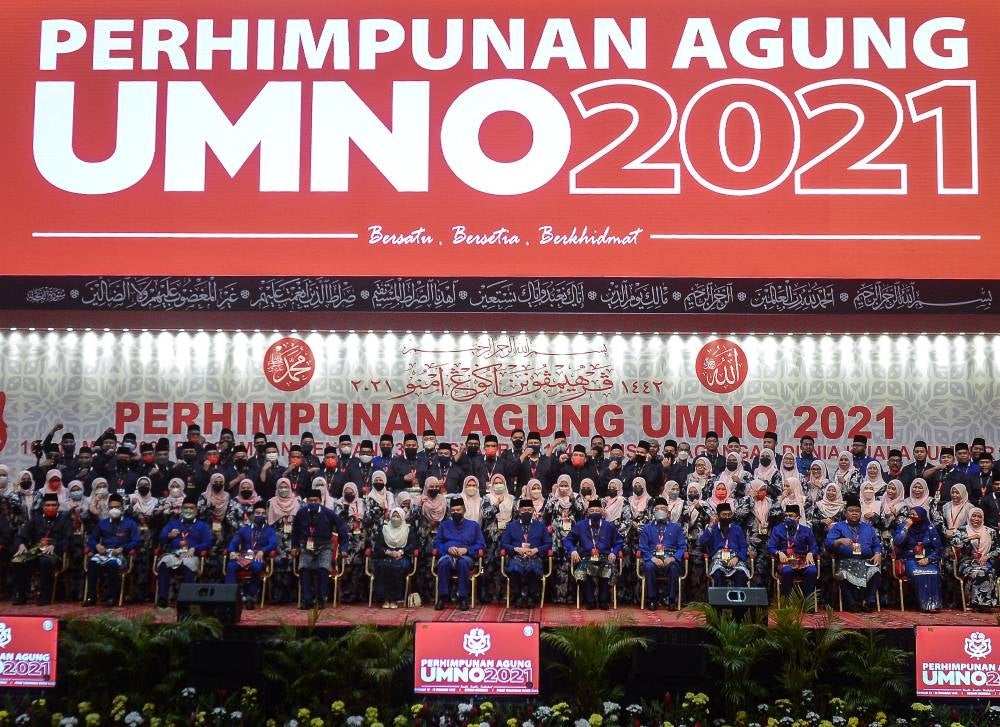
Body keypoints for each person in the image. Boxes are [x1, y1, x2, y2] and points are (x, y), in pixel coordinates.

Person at [292, 488, 350, 610]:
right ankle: (307, 599)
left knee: (323, 568)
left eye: (316, 500)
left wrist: (344, 547)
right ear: (307, 501)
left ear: (320, 500)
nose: (313, 502)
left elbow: (342, 529)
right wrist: (294, 546)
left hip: (325, 547)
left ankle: (321, 598)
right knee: (303, 568)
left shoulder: (328, 513)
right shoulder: (301, 513)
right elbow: (295, 531)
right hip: (306, 547)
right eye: (311, 500)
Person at [11, 493, 71, 605]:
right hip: (36, 552)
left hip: (53, 554)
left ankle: (44, 596)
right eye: (48, 505)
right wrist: (21, 544)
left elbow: (68, 539)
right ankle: (21, 595)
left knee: (45, 561)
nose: (51, 507)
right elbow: (21, 536)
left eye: (54, 505)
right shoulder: (35, 520)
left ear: (58, 506)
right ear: (43, 506)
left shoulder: (64, 520)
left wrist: (55, 546)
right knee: (18, 560)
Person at [825, 494, 883, 612]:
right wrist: (839, 541)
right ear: (845, 513)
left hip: (865, 561)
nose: (854, 513)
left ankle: (867, 601)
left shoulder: (868, 528)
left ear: (861, 513)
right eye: (851, 511)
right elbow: (828, 544)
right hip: (845, 561)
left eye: (857, 511)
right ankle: (851, 603)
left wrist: (877, 553)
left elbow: (877, 544)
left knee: (876, 572)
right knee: (843, 575)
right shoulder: (838, 527)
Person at [564, 499, 624, 610]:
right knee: (586, 571)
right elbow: (567, 540)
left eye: (597, 510)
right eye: (592, 510)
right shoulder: (580, 526)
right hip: (587, 557)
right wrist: (573, 550)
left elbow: (619, 542)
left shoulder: (609, 526)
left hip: (605, 557)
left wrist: (614, 552)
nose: (595, 512)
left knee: (607, 570)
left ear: (602, 512)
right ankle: (590, 601)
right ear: (587, 512)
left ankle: (603, 601)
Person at [83, 493, 140, 607]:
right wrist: (97, 546)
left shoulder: (130, 523)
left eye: (117, 507)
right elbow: (92, 539)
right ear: (108, 508)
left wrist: (123, 548)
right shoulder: (102, 523)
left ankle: (112, 597)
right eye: (111, 507)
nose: (114, 509)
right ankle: (91, 597)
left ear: (122, 508)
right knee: (93, 563)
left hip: (120, 554)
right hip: (104, 552)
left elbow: (136, 541)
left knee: (112, 564)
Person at [155, 496, 212, 608]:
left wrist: (195, 548)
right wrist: (169, 536)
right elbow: (161, 538)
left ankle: (186, 600)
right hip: (174, 554)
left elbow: (208, 543)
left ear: (196, 510)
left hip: (191, 555)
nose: (188, 510)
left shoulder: (202, 526)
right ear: (181, 509)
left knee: (189, 566)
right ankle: (162, 598)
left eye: (191, 508)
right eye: (186, 508)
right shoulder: (173, 523)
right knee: (163, 563)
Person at [433, 497, 486, 611]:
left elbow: (481, 544)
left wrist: (466, 550)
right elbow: (437, 543)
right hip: (448, 555)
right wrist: (447, 549)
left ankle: (463, 598)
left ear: (464, 510)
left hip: (466, 556)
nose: (455, 513)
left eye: (458, 510)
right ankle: (442, 597)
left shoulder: (473, 526)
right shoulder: (444, 525)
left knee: (462, 563)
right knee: (444, 563)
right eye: (453, 511)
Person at [500, 498, 553, 607]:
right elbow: (504, 543)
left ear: (533, 510)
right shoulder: (511, 526)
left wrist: (536, 550)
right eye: (524, 510)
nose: (527, 512)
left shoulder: (540, 525)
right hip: (517, 556)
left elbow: (548, 543)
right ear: (519, 511)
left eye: (529, 510)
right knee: (514, 569)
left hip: (534, 556)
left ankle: (531, 596)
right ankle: (518, 595)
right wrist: (516, 549)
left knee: (534, 568)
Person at [224, 502, 277, 609]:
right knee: (231, 566)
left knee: (256, 567)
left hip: (258, 556)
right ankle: (230, 596)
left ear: (266, 515)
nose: (260, 515)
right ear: (252, 515)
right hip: (243, 556)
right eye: (258, 513)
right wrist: (232, 551)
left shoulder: (270, 530)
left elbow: (273, 543)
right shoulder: (244, 529)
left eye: (263, 513)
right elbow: (234, 542)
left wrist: (264, 551)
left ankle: (250, 596)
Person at [638, 497, 687, 610]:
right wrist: (652, 558)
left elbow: (682, 547)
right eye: (657, 509)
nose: (660, 511)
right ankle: (652, 599)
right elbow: (643, 547)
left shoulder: (676, 528)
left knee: (674, 568)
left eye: (663, 509)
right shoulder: (647, 528)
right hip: (653, 558)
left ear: (668, 512)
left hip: (670, 558)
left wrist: (673, 558)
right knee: (649, 567)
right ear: (653, 512)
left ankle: (671, 600)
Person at [893, 506, 943, 612]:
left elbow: (938, 548)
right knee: (918, 573)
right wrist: (906, 527)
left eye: (914, 515)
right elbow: (897, 542)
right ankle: (924, 605)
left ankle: (935, 604)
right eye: (910, 514)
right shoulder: (903, 526)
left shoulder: (930, 528)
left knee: (934, 572)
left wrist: (928, 559)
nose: (911, 516)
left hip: (928, 559)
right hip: (909, 559)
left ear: (922, 516)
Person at [767, 504, 818, 605]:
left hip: (801, 559)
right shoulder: (778, 529)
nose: (788, 518)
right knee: (787, 571)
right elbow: (771, 547)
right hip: (785, 560)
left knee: (812, 570)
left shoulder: (806, 530)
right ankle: (787, 602)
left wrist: (811, 553)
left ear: (798, 517)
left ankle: (808, 603)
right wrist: (778, 552)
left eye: (791, 515)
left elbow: (814, 546)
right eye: (786, 515)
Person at [952, 507, 1000, 611]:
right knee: (978, 572)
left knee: (989, 571)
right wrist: (969, 538)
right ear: (969, 517)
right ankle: (976, 602)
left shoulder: (990, 531)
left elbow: (998, 548)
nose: (976, 519)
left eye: (979, 516)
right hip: (966, 562)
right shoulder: (961, 530)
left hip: (985, 560)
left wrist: (988, 556)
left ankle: (985, 603)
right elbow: (954, 544)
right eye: (973, 516)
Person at [372, 506, 418, 608]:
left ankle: (394, 599)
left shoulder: (408, 529)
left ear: (402, 517)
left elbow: (413, 544)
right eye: (394, 516)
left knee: (397, 567)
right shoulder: (384, 529)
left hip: (403, 557)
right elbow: (378, 547)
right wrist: (388, 552)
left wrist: (401, 552)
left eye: (398, 516)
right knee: (382, 566)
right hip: (386, 556)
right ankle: (385, 598)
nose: (395, 519)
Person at [700, 502, 750, 587]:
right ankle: (720, 600)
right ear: (718, 516)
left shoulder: (737, 528)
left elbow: (744, 547)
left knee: (741, 574)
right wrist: (710, 526)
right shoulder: (713, 528)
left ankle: (738, 599)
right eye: (724, 515)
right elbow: (702, 541)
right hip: (718, 559)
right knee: (718, 574)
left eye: (729, 515)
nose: (727, 517)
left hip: (735, 558)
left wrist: (737, 558)